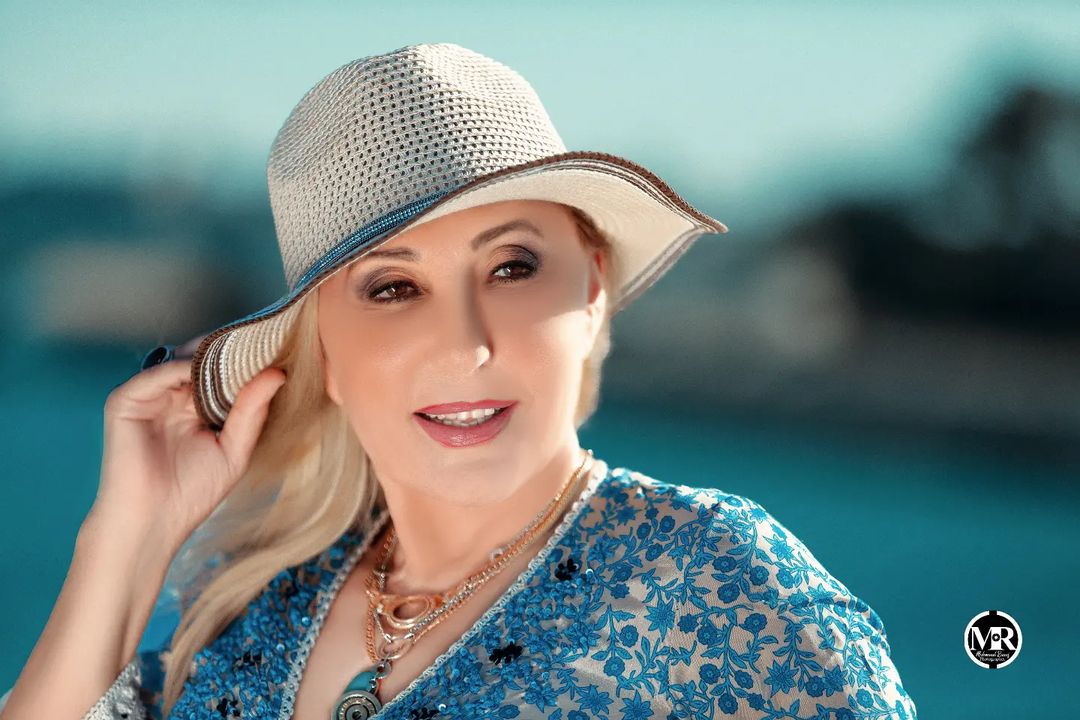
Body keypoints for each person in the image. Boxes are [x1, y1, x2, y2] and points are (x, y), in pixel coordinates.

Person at [0, 43, 918, 720]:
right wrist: (127, 538)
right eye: (393, 288)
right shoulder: (255, 612)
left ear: (591, 291)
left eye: (512, 267)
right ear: (329, 355)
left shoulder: (719, 587)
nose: (466, 344)